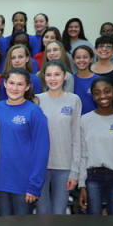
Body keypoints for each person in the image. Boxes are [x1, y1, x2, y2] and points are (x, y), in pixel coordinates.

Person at [0, 69, 50, 216]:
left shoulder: (34, 112)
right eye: (11, 83)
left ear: (27, 87)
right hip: (0, 181)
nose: (15, 88)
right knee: (4, 224)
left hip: (24, 183)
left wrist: (34, 185)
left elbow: (42, 151)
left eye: (20, 84)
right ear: (5, 84)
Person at [78, 77, 113, 215]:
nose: (102, 96)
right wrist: (82, 185)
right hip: (92, 178)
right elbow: (82, 155)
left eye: (107, 91)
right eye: (97, 93)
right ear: (92, 96)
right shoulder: (84, 120)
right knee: (93, 221)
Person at [36, 60, 82, 215]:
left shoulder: (74, 100)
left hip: (64, 166)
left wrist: (75, 172)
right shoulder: (36, 100)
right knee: (42, 213)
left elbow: (76, 138)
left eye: (57, 74)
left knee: (59, 213)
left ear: (65, 76)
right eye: (49, 75)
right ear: (44, 77)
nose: (53, 78)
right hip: (40, 166)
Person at [72, 45, 98, 115]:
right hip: (75, 119)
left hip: (93, 119)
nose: (81, 60)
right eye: (78, 57)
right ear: (73, 60)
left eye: (85, 57)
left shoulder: (98, 80)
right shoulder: (70, 80)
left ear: (91, 59)